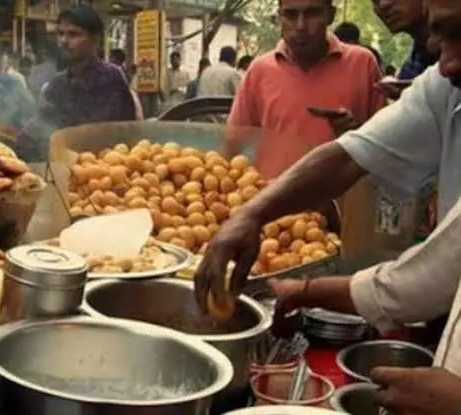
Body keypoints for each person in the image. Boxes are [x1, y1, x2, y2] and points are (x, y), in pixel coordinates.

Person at [195, 1, 461, 409]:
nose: (446, 62)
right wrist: (253, 216)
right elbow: (350, 155)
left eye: (457, 33)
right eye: (438, 37)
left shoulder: (363, 64)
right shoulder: (445, 87)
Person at [226, 0, 385, 178]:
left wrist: (357, 134)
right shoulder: (259, 71)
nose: (301, 26)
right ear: (279, 17)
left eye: (312, 13)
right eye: (291, 15)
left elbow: (387, 146)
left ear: (330, 15)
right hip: (274, 200)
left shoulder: (362, 64)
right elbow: (233, 146)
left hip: (343, 201)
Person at [19, 5, 136, 161]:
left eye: (73, 34)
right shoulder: (56, 85)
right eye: (60, 34)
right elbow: (37, 129)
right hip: (61, 169)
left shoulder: (110, 77)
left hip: (102, 169)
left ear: (95, 40)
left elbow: (99, 134)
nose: (64, 41)